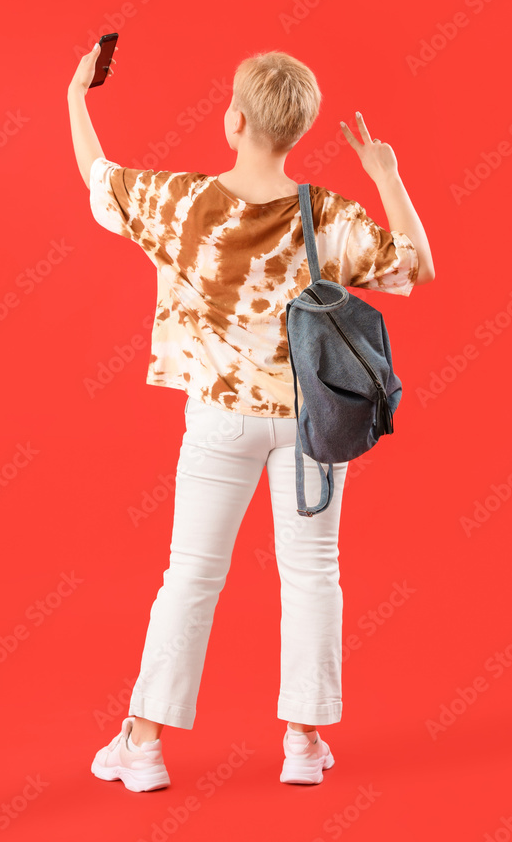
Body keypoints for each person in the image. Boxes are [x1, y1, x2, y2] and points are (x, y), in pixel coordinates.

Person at [67, 44, 435, 792]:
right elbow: (414, 266)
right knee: (312, 576)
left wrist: (78, 93)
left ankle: (141, 748)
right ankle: (302, 744)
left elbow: (98, 179)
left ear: (233, 120)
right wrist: (386, 175)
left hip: (219, 420)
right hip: (312, 425)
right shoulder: (328, 213)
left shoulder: (181, 203)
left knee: (191, 578)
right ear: (297, 130)